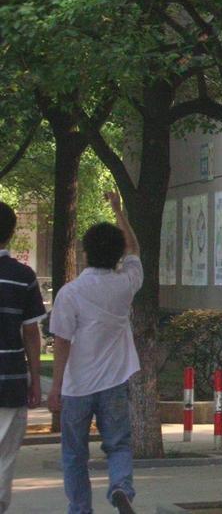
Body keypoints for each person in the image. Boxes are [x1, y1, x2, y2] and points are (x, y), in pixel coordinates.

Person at [48, 192, 142, 514]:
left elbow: (63, 342)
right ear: (118, 254)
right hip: (114, 382)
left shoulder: (70, 293)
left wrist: (55, 387)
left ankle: (80, 509)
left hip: (77, 387)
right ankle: (120, 487)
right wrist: (118, 210)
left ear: (85, 253)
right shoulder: (126, 284)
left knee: (74, 454)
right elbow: (134, 249)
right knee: (118, 445)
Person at [0, 202, 46, 514]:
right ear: (12, 233)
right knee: (4, 457)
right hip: (10, 380)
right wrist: (35, 380)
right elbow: (31, 333)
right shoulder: (23, 276)